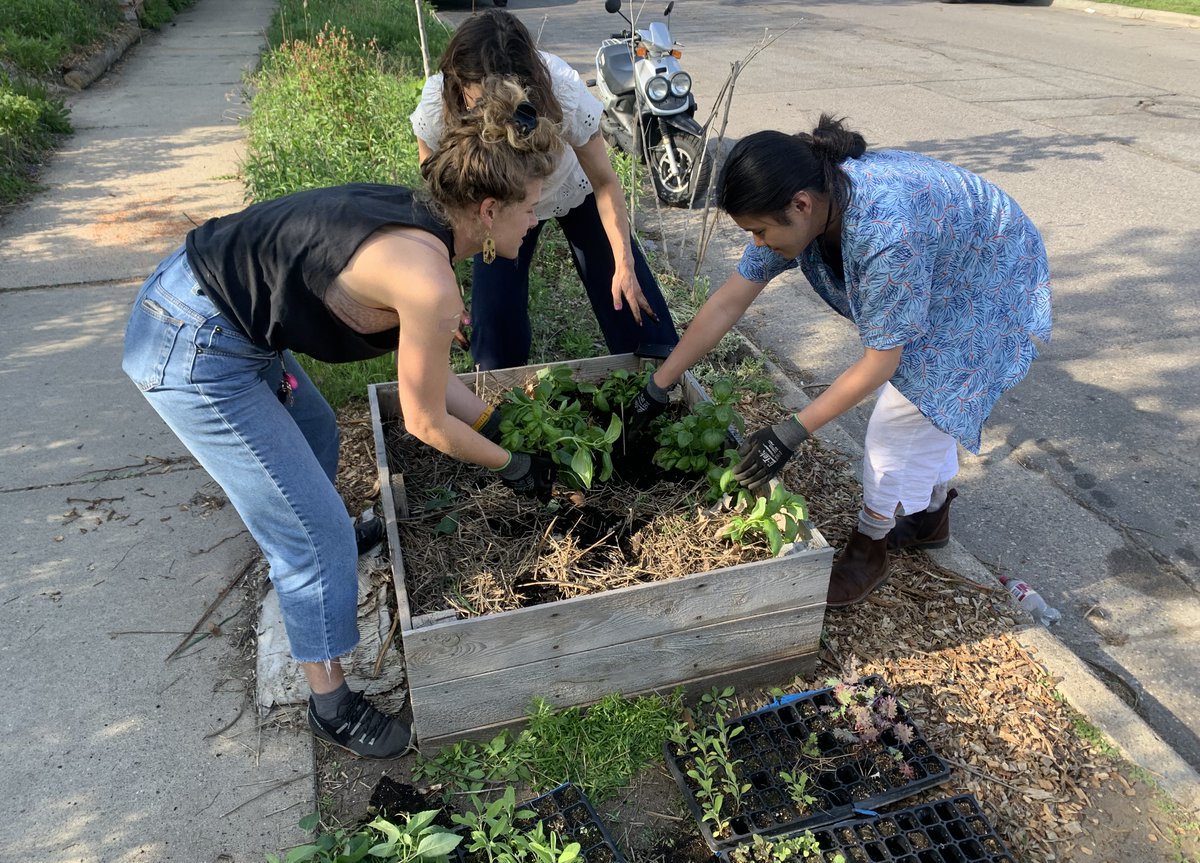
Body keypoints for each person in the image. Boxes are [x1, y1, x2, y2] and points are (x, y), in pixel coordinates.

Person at [121, 79, 561, 759]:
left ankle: (318, 555)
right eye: (531, 208)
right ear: (489, 206)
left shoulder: (423, 218)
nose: (536, 222)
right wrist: (516, 467)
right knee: (313, 535)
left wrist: (502, 424)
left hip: (212, 303)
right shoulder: (429, 279)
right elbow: (424, 422)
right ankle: (330, 704)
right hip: (194, 346)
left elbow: (435, 386)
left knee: (319, 431)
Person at [625, 114, 1052, 610]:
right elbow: (728, 302)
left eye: (760, 231)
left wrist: (791, 432)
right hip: (945, 253)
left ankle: (869, 550)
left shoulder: (884, 233)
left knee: (902, 417)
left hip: (990, 269)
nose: (757, 243)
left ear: (801, 205)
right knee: (926, 409)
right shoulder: (807, 203)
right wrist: (659, 386)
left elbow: (880, 363)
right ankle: (930, 518)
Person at [410, 8, 679, 371]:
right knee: (494, 335)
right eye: (481, 101)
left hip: (572, 189)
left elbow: (603, 181)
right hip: (501, 208)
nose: (494, 111)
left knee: (635, 306)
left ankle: (661, 387)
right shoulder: (437, 103)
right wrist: (444, 279)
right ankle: (502, 401)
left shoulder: (561, 90)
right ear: (458, 82)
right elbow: (441, 198)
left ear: (530, 81)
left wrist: (624, 263)